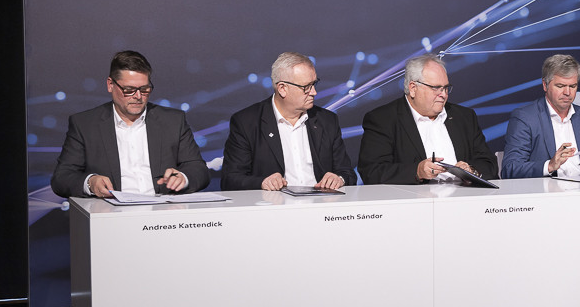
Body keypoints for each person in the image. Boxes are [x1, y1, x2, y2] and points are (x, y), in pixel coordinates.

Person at [50, 50, 209, 198]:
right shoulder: (85, 124)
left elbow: (199, 170)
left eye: (145, 89)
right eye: (129, 90)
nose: (138, 96)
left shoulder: (173, 121)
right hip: (112, 212)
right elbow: (62, 178)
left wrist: (183, 178)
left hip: (163, 211)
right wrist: (90, 182)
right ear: (110, 85)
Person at [221, 52, 356, 191]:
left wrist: (339, 179)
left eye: (314, 84)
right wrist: (262, 183)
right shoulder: (247, 122)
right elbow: (230, 179)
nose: (314, 92)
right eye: (306, 87)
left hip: (321, 202)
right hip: (273, 203)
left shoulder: (327, 120)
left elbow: (348, 174)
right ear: (282, 89)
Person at [358, 54, 497, 184]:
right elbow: (372, 171)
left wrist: (471, 170)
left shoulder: (464, 117)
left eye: (446, 88)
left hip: (465, 197)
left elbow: (489, 164)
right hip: (414, 199)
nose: (443, 95)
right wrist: (417, 171)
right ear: (413, 88)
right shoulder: (383, 119)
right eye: (436, 88)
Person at [501, 54, 580, 178]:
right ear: (545, 85)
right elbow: (510, 169)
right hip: (546, 189)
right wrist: (550, 166)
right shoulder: (525, 118)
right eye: (560, 86)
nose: (567, 92)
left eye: (572, 86)